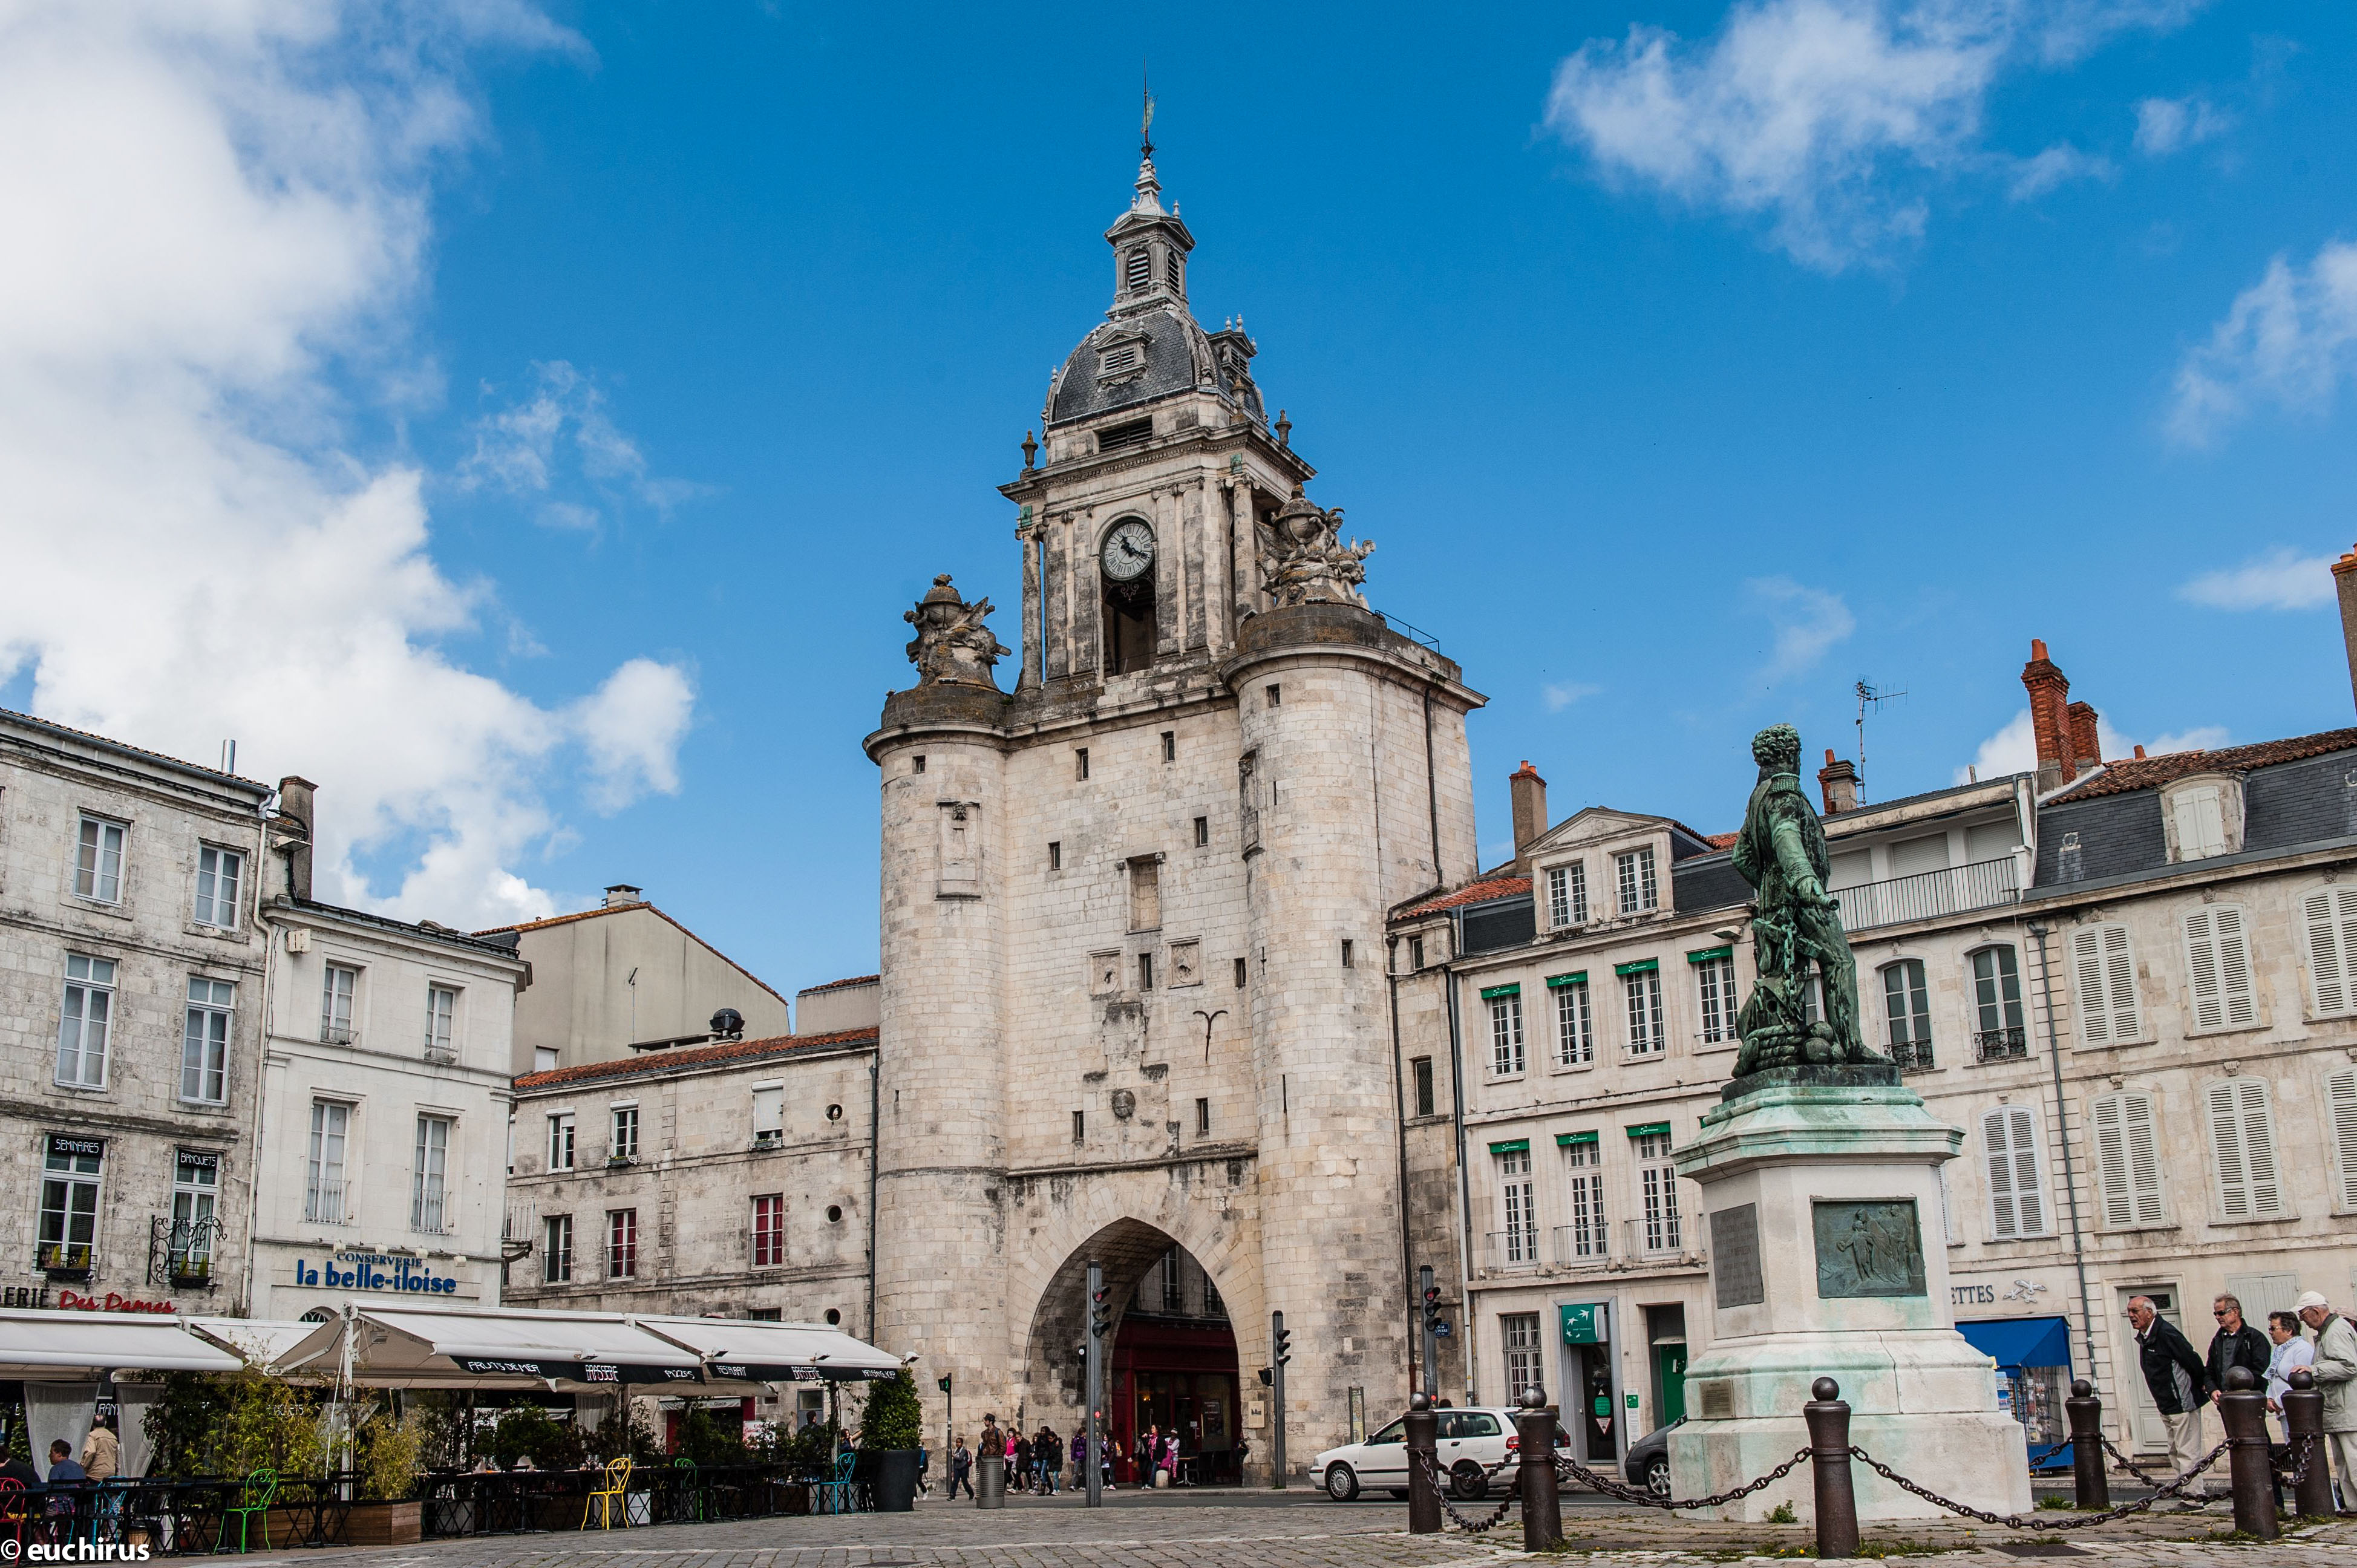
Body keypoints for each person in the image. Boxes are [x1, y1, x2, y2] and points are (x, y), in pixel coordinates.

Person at [2128, 1295, 2209, 1498]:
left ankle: (2194, 1496)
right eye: (2129, 1311)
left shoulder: (2166, 1333)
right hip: (2166, 1404)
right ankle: (2184, 1488)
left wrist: (2200, 1385)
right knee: (2175, 1451)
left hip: (2182, 1402)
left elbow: (2192, 1359)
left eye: (2135, 1311)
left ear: (2150, 1312)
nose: (2131, 1316)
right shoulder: (2146, 1336)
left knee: (2187, 1451)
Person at [2297, 1290, 2357, 1509]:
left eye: (2303, 1315)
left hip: (2347, 1408)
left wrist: (2314, 1370)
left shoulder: (2336, 1330)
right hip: (2339, 1409)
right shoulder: (2330, 1331)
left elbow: (2349, 1366)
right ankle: (2353, 1507)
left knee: (2353, 1461)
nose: (2302, 1320)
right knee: (2345, 1464)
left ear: (2315, 1311)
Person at [2208, 1294, 2271, 1408]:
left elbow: (2262, 1370)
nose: (2217, 1317)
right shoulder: (2217, 1341)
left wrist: (2244, 1389)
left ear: (2235, 1312)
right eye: (2215, 1314)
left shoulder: (2254, 1337)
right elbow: (2209, 1371)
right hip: (2226, 1402)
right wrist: (2213, 1390)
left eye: (2221, 1313)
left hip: (2250, 1401)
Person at [2266, 1309, 2316, 1434]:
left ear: (2289, 1331)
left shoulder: (2302, 1348)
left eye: (2273, 1328)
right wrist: (2269, 1398)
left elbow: (2303, 1382)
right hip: (2284, 1410)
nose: (2270, 1332)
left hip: (2297, 1411)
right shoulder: (2279, 1351)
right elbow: (2273, 1377)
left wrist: (2278, 1402)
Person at [78, 1416, 117, 1483]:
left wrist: (82, 1467)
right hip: (110, 1474)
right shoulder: (113, 1437)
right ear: (105, 1423)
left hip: (95, 1475)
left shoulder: (92, 1435)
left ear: (92, 1424)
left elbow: (90, 1452)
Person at [949, 1437, 973, 1501]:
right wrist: (953, 1471)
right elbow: (954, 1462)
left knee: (965, 1482)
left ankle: (971, 1494)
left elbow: (960, 1458)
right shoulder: (955, 1451)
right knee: (955, 1482)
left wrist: (953, 1456)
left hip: (963, 1468)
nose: (958, 1444)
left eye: (959, 1442)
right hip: (957, 1468)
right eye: (957, 1442)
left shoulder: (963, 1451)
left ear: (962, 1443)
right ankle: (952, 1496)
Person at [1012, 1429, 1032, 1494]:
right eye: (1016, 1438)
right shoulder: (1018, 1443)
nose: (1017, 1439)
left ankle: (1031, 1488)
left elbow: (1029, 1451)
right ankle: (1014, 1488)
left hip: (1026, 1461)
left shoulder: (1026, 1442)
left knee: (1028, 1475)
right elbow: (1016, 1451)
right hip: (1020, 1462)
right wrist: (1016, 1444)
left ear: (1021, 1436)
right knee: (1018, 1475)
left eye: (1018, 1437)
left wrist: (1029, 1459)